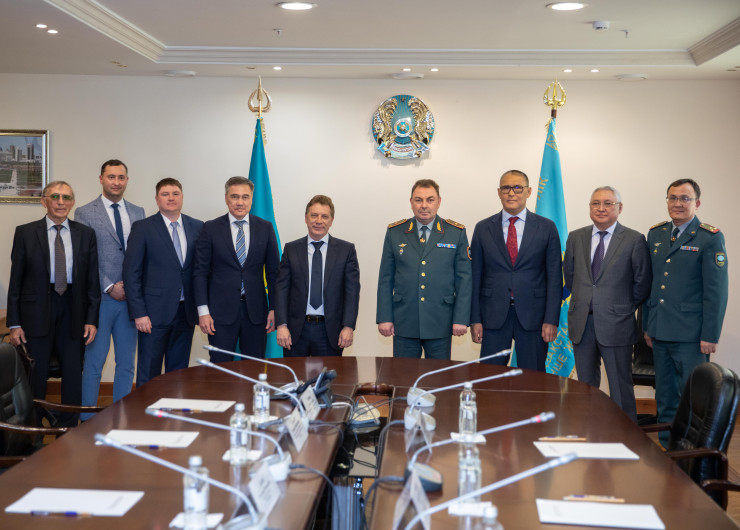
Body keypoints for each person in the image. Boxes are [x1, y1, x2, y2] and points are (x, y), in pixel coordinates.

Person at [7, 181, 100, 425]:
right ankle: (33, 431)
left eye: (66, 197)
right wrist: (14, 323)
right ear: (44, 201)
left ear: (72, 203)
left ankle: (68, 430)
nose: (61, 202)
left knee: (73, 373)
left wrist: (92, 319)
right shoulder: (25, 233)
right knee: (35, 374)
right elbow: (15, 281)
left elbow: (92, 281)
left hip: (73, 308)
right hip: (35, 310)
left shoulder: (86, 234)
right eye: (55, 197)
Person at [643, 178, 728, 445]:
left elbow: (716, 292)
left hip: (692, 335)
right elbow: (651, 285)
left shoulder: (709, 237)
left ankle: (692, 452)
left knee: (693, 397)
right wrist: (647, 325)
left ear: (697, 203)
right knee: (665, 396)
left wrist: (710, 335)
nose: (677, 203)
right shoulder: (656, 234)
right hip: (660, 331)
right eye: (673, 198)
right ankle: (668, 447)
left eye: (684, 198)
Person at [563, 186, 652, 421]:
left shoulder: (634, 239)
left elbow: (642, 283)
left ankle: (625, 432)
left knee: (620, 385)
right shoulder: (576, 237)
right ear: (590, 207)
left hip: (617, 323)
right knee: (585, 385)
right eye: (596, 203)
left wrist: (620, 306)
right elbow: (570, 277)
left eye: (608, 203)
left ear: (619, 208)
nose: (601, 208)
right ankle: (590, 429)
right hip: (582, 323)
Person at [470, 169, 561, 371]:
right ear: (499, 192)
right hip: (492, 316)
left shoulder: (547, 228)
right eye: (506, 188)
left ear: (529, 192)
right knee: (489, 377)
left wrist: (551, 319)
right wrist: (475, 319)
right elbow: (475, 277)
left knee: (533, 378)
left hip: (534, 316)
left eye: (517, 188)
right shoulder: (483, 228)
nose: (511, 193)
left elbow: (555, 278)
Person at [75, 159, 145, 419]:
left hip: (130, 300)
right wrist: (108, 286)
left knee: (126, 364)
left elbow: (142, 254)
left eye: (121, 177)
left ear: (127, 180)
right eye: (111, 177)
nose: (116, 182)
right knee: (94, 363)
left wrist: (131, 287)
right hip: (100, 299)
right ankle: (87, 418)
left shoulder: (138, 211)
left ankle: (120, 418)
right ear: (101, 179)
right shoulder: (84, 212)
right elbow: (84, 258)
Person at [376, 179, 472, 359]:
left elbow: (464, 280)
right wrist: (384, 317)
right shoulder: (395, 232)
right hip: (404, 320)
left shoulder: (455, 232)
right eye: (418, 200)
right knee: (403, 374)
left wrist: (460, 318)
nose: (424, 205)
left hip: (441, 320)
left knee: (439, 375)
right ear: (411, 202)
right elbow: (385, 278)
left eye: (430, 199)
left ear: (439, 202)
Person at [123, 178, 204, 386]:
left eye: (175, 193)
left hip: (185, 313)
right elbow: (131, 273)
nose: (171, 198)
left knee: (178, 374)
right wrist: (139, 313)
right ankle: (145, 408)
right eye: (165, 194)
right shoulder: (143, 228)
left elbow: (201, 270)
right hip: (152, 315)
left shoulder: (197, 227)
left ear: (182, 197)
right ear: (157, 199)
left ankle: (173, 408)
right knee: (149, 373)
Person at [193, 176, 280, 362]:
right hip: (219, 315)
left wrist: (274, 308)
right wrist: (203, 311)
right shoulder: (210, 228)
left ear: (251, 199)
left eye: (245, 197)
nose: (240, 202)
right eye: (234, 196)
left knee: (254, 368)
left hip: (256, 314)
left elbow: (274, 273)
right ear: (226, 198)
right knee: (221, 370)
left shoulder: (265, 228)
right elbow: (200, 272)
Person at [275, 195, 360, 356]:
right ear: (306, 218)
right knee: (295, 373)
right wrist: (281, 325)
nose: (319, 221)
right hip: (295, 331)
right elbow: (281, 289)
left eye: (324, 216)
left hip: (330, 332)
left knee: (328, 373)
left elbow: (352, 292)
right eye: (314, 215)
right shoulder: (291, 249)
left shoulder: (346, 250)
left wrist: (348, 327)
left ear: (331, 220)